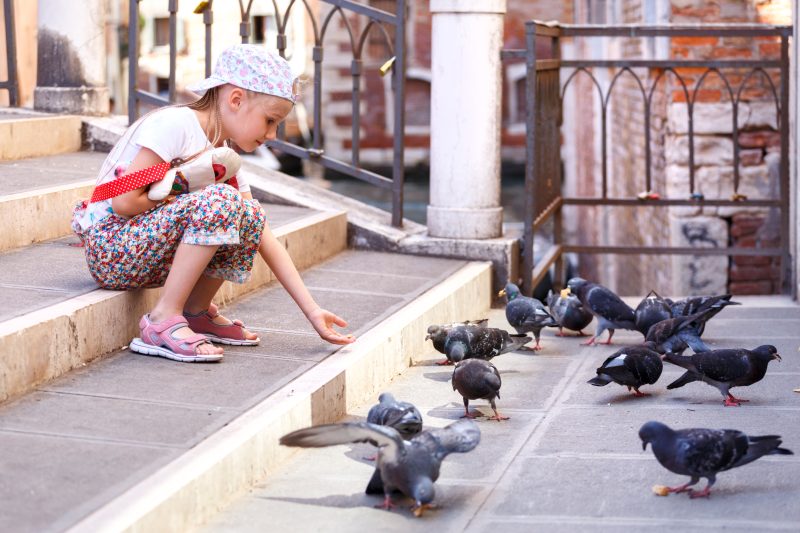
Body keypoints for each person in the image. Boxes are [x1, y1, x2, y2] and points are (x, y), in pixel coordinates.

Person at [71, 44, 355, 363]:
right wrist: (185, 187)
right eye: (270, 120)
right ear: (236, 100)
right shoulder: (176, 125)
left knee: (248, 214)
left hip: (146, 250)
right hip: (113, 249)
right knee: (222, 200)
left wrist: (312, 311)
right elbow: (124, 202)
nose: (273, 134)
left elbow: (261, 232)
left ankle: (195, 313)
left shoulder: (223, 160)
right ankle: (162, 319)